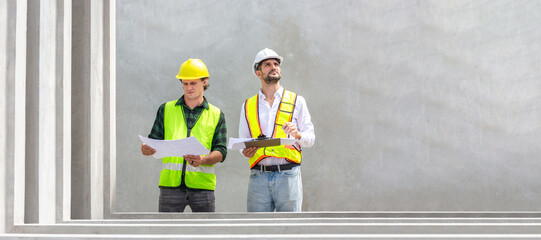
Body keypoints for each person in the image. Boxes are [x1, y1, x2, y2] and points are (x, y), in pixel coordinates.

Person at [141, 58, 227, 212]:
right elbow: (153, 141)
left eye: (193, 83)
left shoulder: (216, 114)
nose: (189, 88)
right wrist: (146, 148)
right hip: (170, 187)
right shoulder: (166, 109)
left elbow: (221, 151)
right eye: (185, 83)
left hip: (202, 187)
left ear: (205, 82)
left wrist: (203, 160)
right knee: (168, 235)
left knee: (205, 234)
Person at [238, 48, 315, 212]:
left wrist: (298, 134)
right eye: (267, 65)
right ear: (258, 73)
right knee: (257, 231)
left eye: (276, 64)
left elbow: (310, 138)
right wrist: (245, 151)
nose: (274, 67)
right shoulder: (248, 105)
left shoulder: (297, 101)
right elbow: (242, 141)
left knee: (289, 231)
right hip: (258, 176)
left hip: (288, 176)